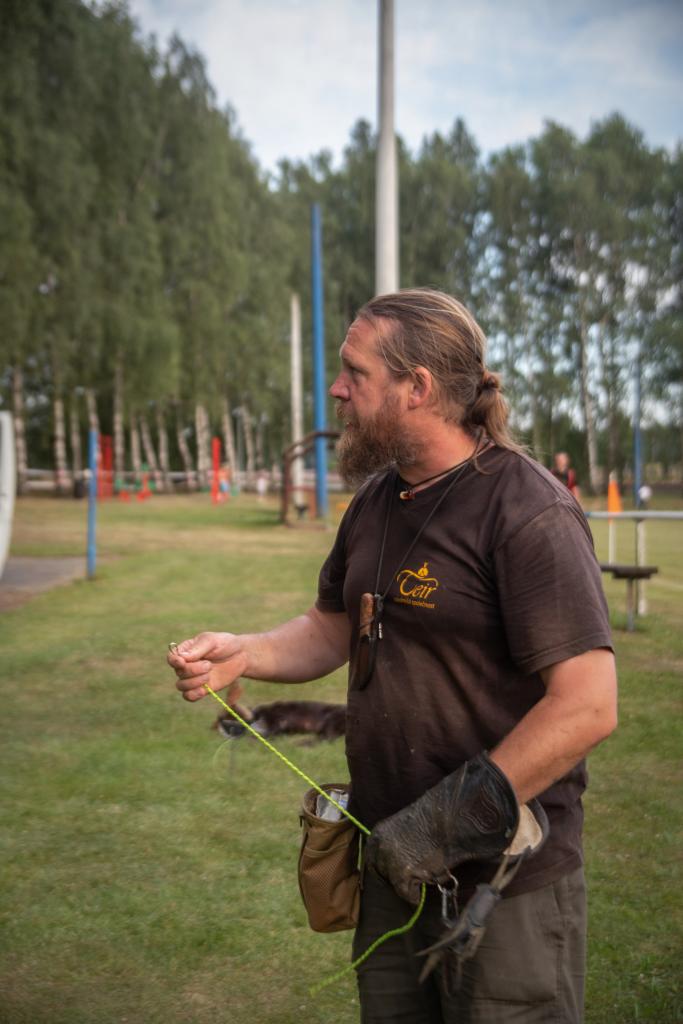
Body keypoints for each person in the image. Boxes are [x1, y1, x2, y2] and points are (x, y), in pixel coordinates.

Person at [168, 289, 617, 1024]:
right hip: (390, 866)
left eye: (355, 372)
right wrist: (242, 653)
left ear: (418, 388)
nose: (336, 389)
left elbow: (588, 705)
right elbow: (333, 626)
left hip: (503, 886)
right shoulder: (378, 499)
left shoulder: (527, 509)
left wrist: (438, 828)